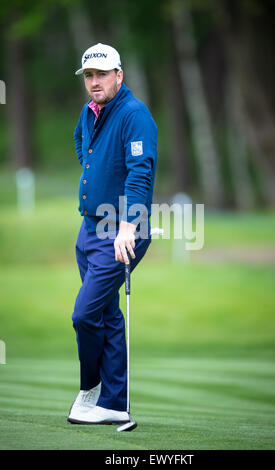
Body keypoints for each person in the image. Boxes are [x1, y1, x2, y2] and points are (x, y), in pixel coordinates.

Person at [68, 43, 157, 424]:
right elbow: (80, 143)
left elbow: (142, 172)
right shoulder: (90, 113)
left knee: (85, 315)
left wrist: (128, 226)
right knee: (106, 315)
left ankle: (90, 391)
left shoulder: (134, 114)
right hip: (89, 229)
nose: (94, 82)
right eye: (89, 75)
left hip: (118, 232)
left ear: (119, 75)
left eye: (102, 74)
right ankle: (115, 402)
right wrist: (96, 171)